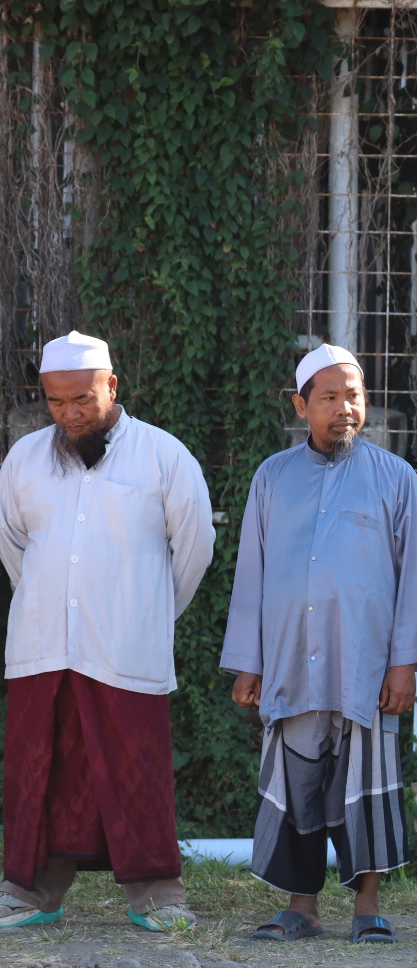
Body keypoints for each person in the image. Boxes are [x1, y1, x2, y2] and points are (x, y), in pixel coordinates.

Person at [222, 343, 417, 945]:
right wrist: (248, 661)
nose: (343, 407)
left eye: (354, 395)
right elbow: (252, 574)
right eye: (328, 397)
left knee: (365, 787)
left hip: (365, 666)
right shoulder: (271, 477)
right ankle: (302, 906)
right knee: (300, 784)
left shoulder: (394, 478)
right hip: (292, 664)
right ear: (302, 406)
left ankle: (367, 904)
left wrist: (405, 666)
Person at [0, 331, 215, 932]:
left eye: (83, 401)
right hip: (42, 649)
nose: (69, 415)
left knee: (135, 768)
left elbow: (194, 550)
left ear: (112, 387)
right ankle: (31, 893)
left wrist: (141, 611)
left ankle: (159, 896)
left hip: (127, 649)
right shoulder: (22, 461)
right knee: (40, 770)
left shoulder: (163, 456)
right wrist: (56, 607)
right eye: (56, 401)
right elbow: (14, 549)